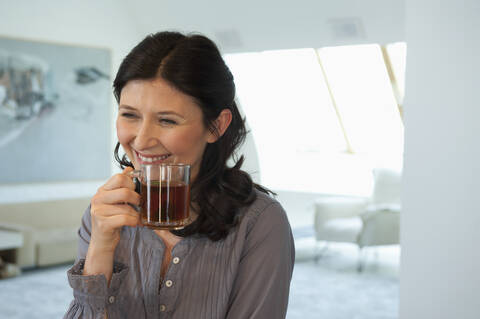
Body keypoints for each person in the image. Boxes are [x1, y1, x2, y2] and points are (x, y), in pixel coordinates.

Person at [64, 31, 295, 319]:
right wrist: (100, 247)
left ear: (216, 126)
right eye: (130, 115)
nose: (142, 140)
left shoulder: (260, 223)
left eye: (167, 120)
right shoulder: (103, 214)